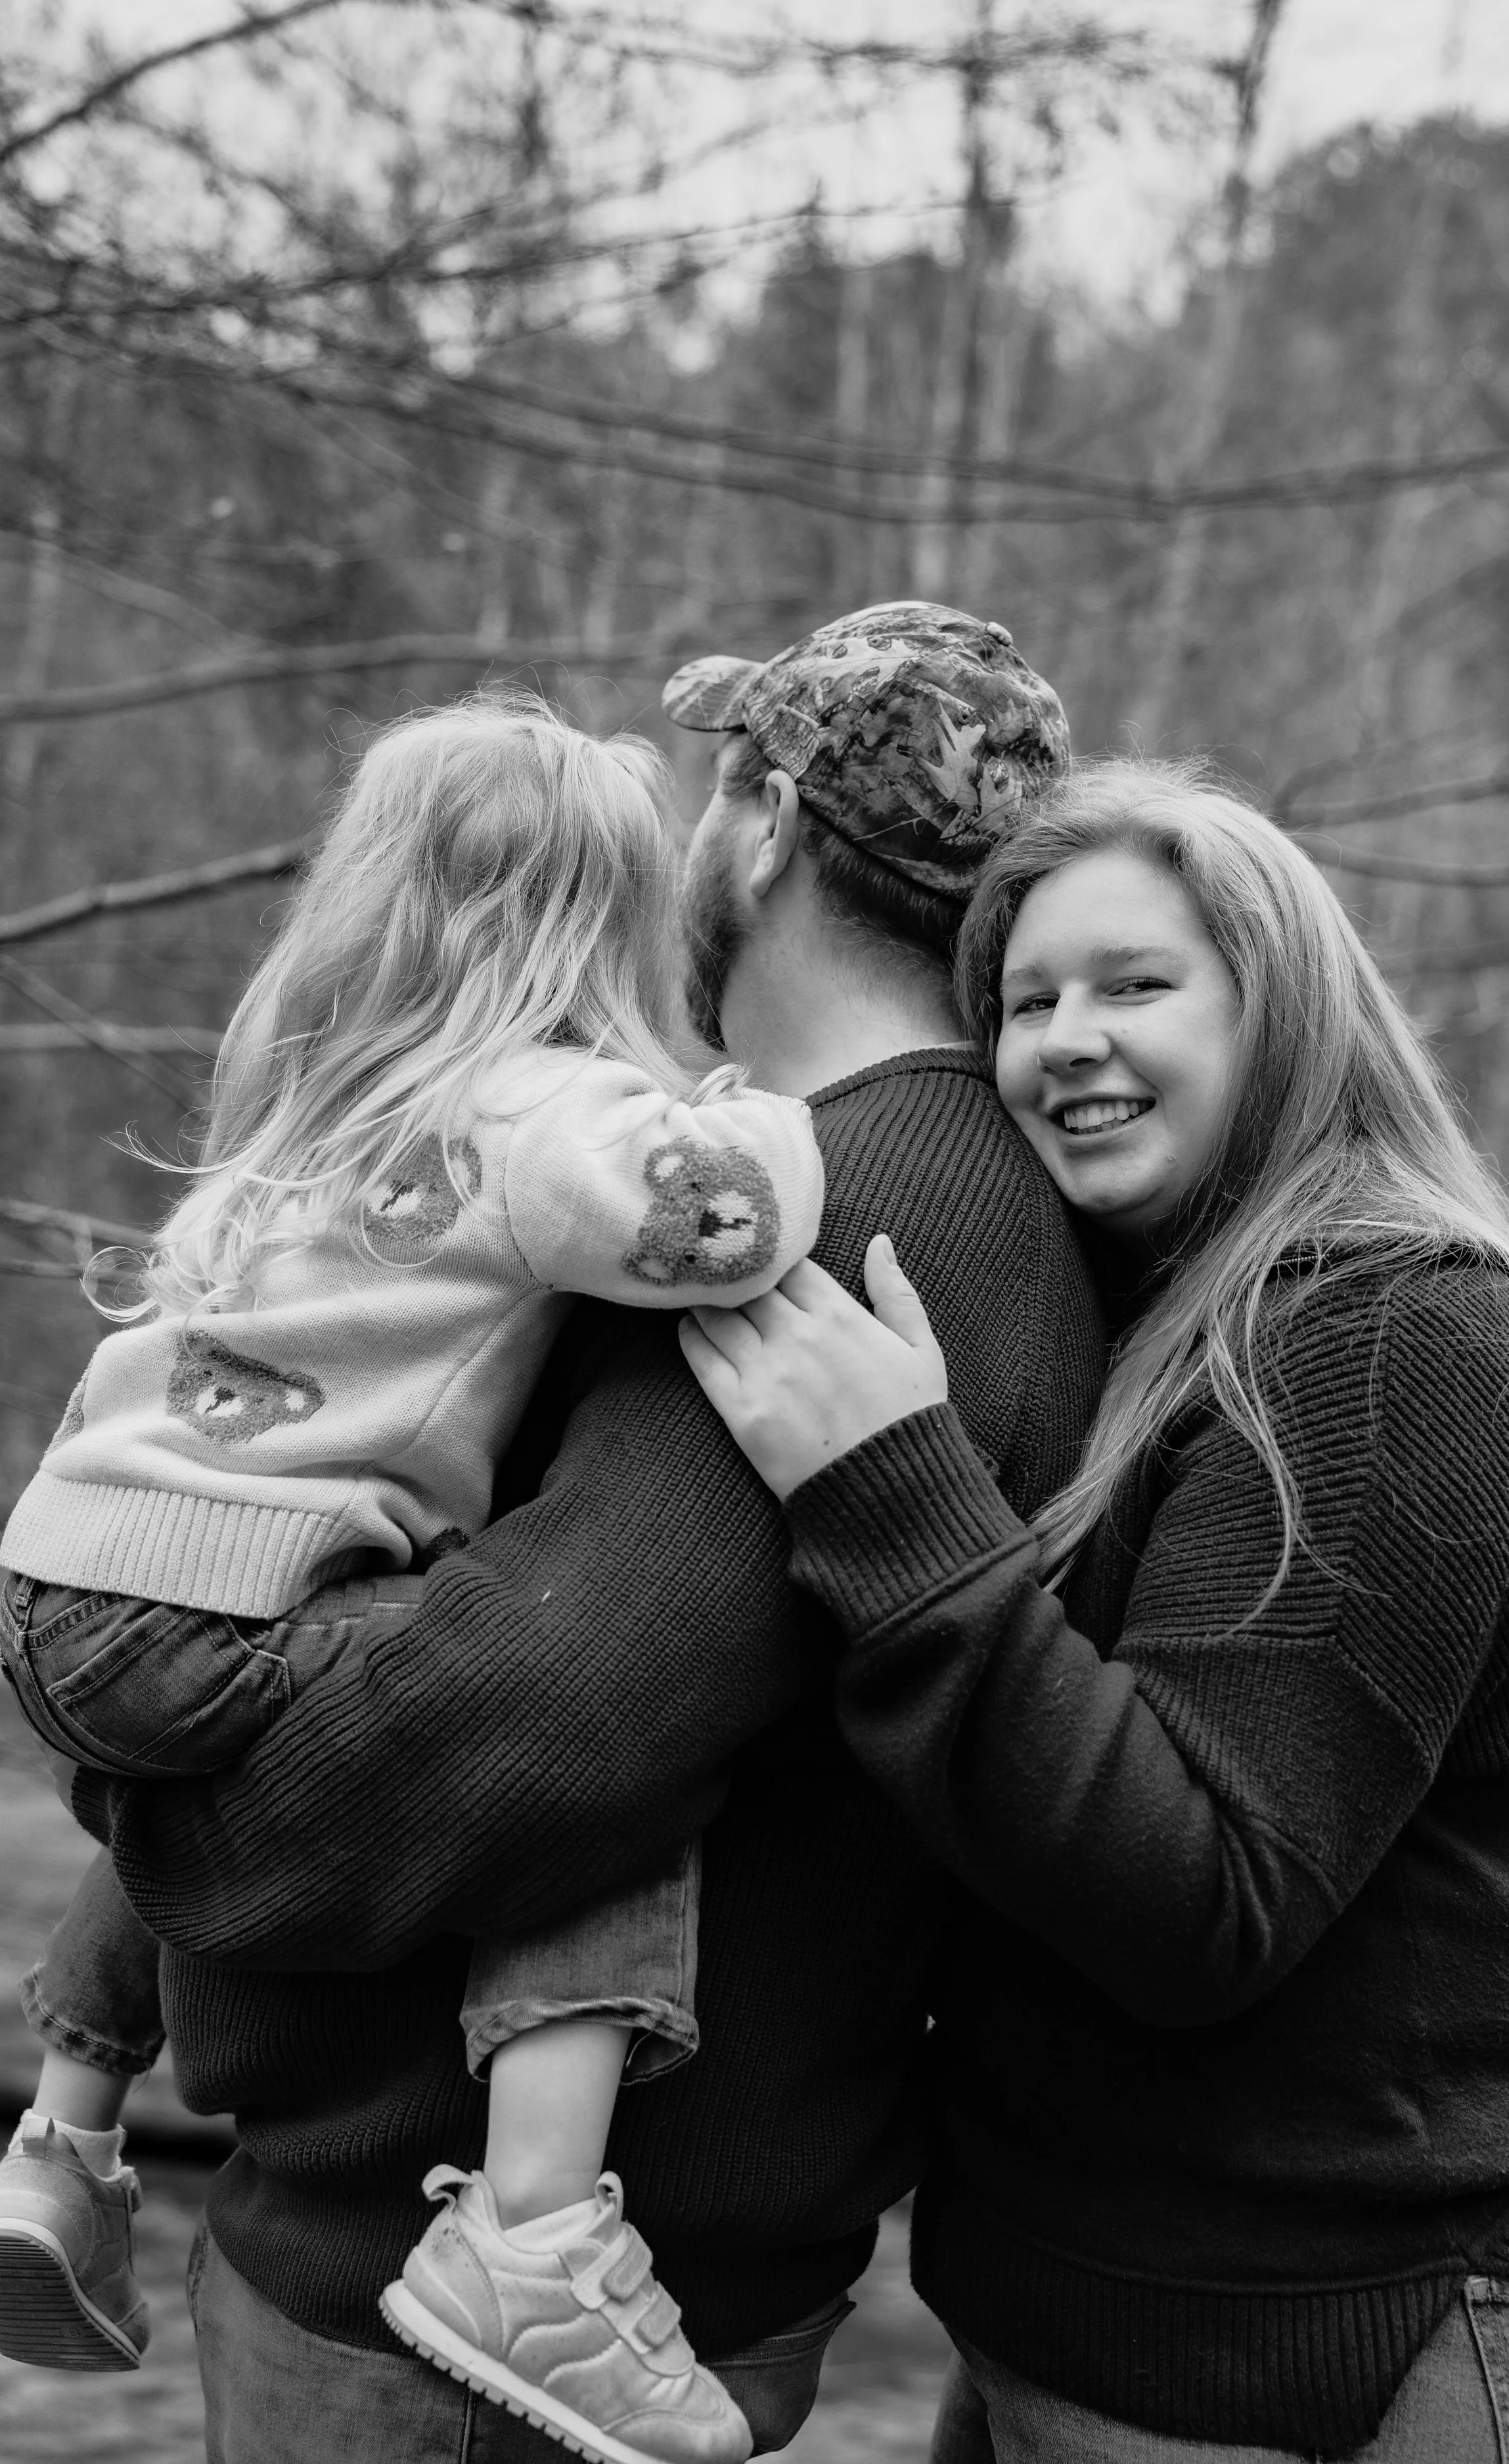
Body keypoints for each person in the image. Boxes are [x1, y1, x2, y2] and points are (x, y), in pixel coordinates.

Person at [51, 604, 1104, 2461]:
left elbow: (543, 1716)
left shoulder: (842, 1193)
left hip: (472, 2335)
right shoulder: (891, 1172)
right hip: (492, 2271)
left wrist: (152, 1787)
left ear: (760, 817)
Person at [681, 755, 1509, 2463]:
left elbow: (1197, 1897)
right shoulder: (1153, 1315)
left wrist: (889, 1495)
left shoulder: (1380, 1336)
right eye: (1026, 999)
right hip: (1092, 2312)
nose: (1065, 1038)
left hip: (1356, 2345)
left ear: (1280, 1013)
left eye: (1135, 984)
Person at [0, 695, 828, 2463]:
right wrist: (770, 1110)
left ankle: (63, 2139)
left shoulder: (308, 1107)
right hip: (221, 1605)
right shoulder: (533, 1108)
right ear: (590, 926)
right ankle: (527, 2223)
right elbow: (714, 1226)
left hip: (67, 1592)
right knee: (581, 1761)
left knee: (184, 1792)